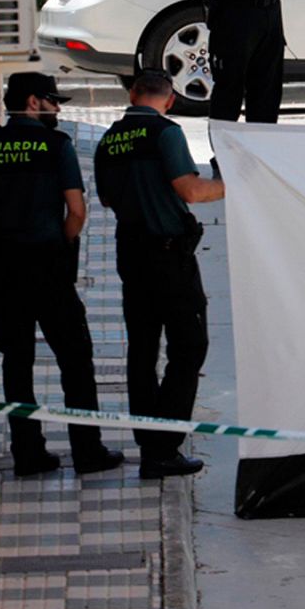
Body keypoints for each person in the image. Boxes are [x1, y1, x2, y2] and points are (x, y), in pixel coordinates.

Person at [0, 73, 123, 478]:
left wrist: (4, 210)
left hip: (3, 266)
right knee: (75, 358)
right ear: (33, 102)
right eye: (54, 101)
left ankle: (28, 455)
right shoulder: (56, 145)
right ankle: (87, 451)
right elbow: (77, 210)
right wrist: (63, 245)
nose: (59, 109)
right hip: (48, 264)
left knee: (16, 363)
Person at [94, 71, 226, 479]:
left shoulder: (108, 140)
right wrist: (229, 182)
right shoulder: (165, 133)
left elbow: (106, 198)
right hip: (169, 255)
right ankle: (164, 446)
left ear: (132, 94)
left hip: (131, 252)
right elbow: (190, 191)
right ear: (169, 101)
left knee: (143, 349)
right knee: (189, 347)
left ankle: (149, 440)